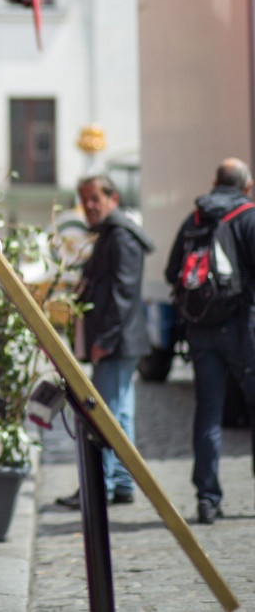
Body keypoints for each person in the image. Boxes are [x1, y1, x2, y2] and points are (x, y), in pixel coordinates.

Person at [164, 158, 255, 524]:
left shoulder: (195, 218)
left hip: (201, 331)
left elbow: (173, 272)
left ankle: (207, 497)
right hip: (242, 328)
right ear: (246, 187)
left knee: (208, 413)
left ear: (214, 182)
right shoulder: (248, 216)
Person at [56, 175, 154, 509]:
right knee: (120, 414)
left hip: (116, 342)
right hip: (121, 341)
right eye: (85, 200)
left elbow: (122, 296)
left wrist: (105, 340)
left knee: (102, 416)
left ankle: (100, 487)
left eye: (95, 198)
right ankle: (122, 484)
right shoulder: (113, 233)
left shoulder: (120, 236)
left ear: (112, 198)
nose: (90, 206)